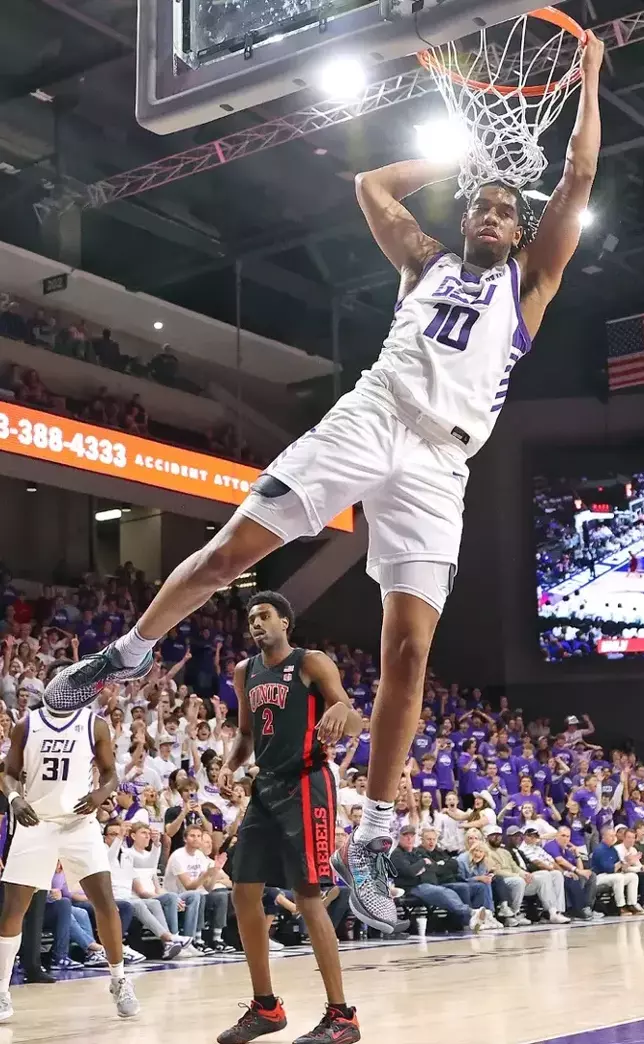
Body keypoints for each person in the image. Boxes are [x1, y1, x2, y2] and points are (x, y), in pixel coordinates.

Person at [45, 34, 604, 935]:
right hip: (374, 414)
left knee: (410, 653)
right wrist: (451, 160)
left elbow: (576, 177)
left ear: (522, 230)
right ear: (467, 220)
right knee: (235, 548)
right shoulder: (425, 262)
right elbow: (369, 187)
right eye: (485, 208)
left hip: (440, 462)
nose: (497, 217)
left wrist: (590, 80)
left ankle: (374, 837)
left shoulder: (530, 287)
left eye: (509, 210)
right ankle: (124, 655)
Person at [215, 592, 363, 1044]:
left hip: (307, 784)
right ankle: (266, 1007)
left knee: (309, 895)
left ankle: (342, 1017)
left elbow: (352, 718)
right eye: (251, 618)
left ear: (285, 621)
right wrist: (229, 763)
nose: (256, 624)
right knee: (242, 891)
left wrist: (342, 711)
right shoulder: (245, 672)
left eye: (264, 616)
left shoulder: (311, 662)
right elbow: (244, 735)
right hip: (266, 787)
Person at [0, 664, 139, 1022]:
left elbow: (111, 775)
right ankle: (1, 992)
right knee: (13, 910)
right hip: (36, 823)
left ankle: (119, 980)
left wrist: (99, 795)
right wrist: (15, 800)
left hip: (79, 824)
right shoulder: (26, 724)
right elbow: (10, 775)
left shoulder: (94, 725)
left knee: (106, 902)